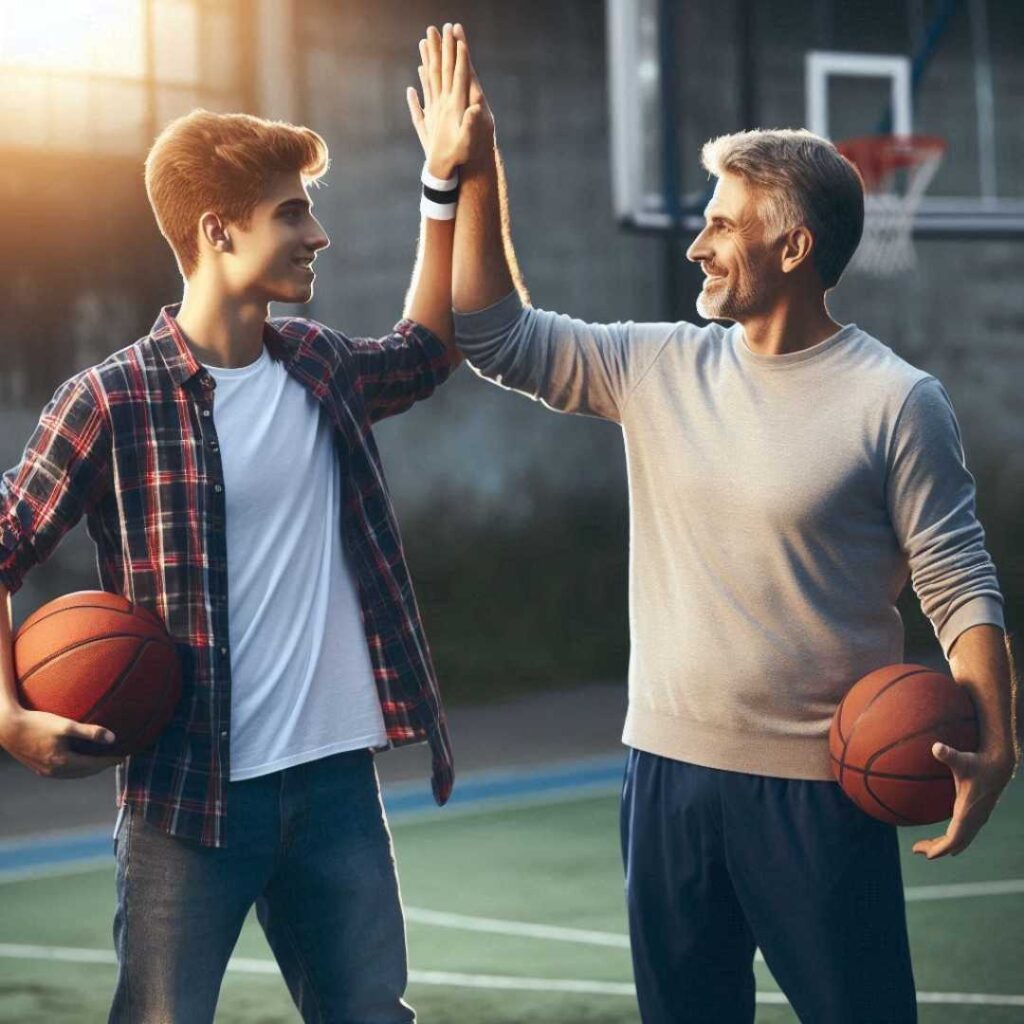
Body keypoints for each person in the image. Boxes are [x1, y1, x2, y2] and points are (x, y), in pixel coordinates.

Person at [422, 22, 1019, 1024]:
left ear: (793, 246)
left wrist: (994, 739)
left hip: (821, 794)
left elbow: (958, 582)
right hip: (664, 777)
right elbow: (490, 331)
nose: (696, 242)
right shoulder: (655, 365)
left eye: (721, 225)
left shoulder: (894, 399)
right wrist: (471, 170)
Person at [0, 36, 479, 1023]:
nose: (319, 234)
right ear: (219, 233)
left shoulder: (321, 366)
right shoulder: (111, 401)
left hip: (336, 786)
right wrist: (7, 715)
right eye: (292, 211)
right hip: (188, 801)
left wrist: (442, 182)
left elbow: (430, 349)